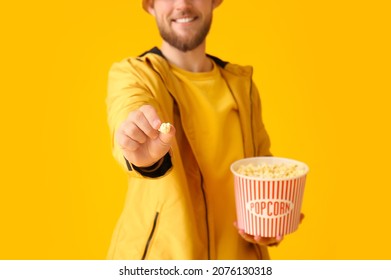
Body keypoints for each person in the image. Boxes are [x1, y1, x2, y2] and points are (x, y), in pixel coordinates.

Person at [106, 0, 299, 259]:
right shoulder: (134, 75)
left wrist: (271, 215)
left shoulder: (243, 87)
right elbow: (128, 108)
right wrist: (139, 149)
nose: (183, 4)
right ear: (150, 5)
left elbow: (261, 171)